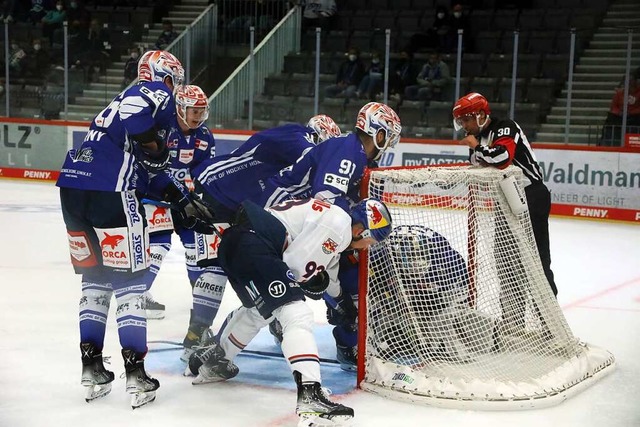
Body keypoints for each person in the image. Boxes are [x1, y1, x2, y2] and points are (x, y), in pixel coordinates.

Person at [56, 50, 196, 408]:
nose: (174, 86)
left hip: (73, 191)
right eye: (173, 78)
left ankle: (91, 367)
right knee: (131, 284)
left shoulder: (114, 107)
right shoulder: (151, 91)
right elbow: (138, 119)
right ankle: (135, 373)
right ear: (164, 75)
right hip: (111, 193)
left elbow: (145, 172)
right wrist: (155, 144)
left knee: (95, 281)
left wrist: (180, 198)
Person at [186, 197, 393, 425]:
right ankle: (310, 396)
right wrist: (312, 284)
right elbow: (296, 266)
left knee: (260, 311)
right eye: (371, 241)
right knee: (296, 312)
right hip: (255, 245)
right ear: (361, 229)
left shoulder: (335, 224)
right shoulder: (338, 225)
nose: (368, 247)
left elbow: (329, 275)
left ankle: (216, 360)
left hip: (239, 244)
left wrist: (341, 303)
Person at [177, 115, 342, 361]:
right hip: (215, 191)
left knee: (267, 262)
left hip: (239, 204)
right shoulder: (296, 135)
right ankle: (195, 335)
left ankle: (273, 318)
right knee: (215, 268)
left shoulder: (300, 162)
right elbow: (312, 157)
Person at [452, 92, 557, 297]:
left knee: (537, 261)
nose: (464, 126)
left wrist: (476, 147)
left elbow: (502, 157)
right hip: (505, 200)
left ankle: (549, 324)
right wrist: (478, 148)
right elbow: (480, 165)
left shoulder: (505, 127)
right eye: (460, 121)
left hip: (532, 195)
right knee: (506, 263)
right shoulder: (479, 138)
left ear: (481, 115)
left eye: (466, 119)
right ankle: (512, 321)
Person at [140, 84, 216, 322]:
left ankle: (200, 296)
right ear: (180, 109)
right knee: (160, 244)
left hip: (186, 201)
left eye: (202, 111)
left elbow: (205, 173)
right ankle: (138, 294)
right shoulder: (162, 128)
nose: (199, 116)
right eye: (194, 111)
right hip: (157, 197)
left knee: (197, 246)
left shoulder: (205, 137)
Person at [601, 67, 640, 146]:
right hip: (620, 117)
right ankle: (609, 143)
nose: (629, 84)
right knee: (610, 120)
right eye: (627, 82)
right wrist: (619, 112)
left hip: (635, 117)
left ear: (635, 82)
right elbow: (614, 106)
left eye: (631, 82)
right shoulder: (619, 93)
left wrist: (631, 112)